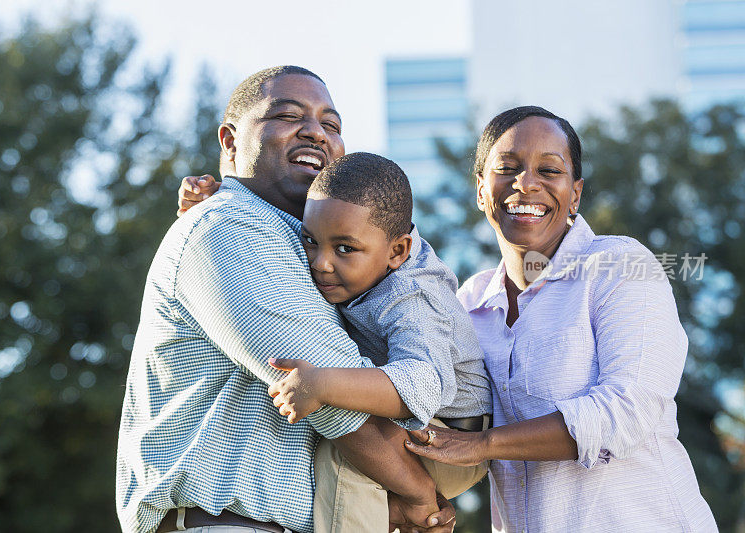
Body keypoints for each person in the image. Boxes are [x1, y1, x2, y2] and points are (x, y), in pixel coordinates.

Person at [116, 66, 455, 533]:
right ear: (230, 142)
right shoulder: (231, 230)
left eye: (331, 125)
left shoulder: (304, 245)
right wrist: (421, 498)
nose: (316, 132)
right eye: (289, 115)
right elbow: (337, 399)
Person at [400, 106, 718, 532]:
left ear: (575, 194)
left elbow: (626, 411)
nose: (526, 183)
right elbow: (445, 415)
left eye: (549, 170)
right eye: (507, 167)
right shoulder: (466, 304)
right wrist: (428, 502)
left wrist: (484, 445)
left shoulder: (618, 266)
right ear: (480, 189)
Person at [260, 151, 493, 531]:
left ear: (397, 251)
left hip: (450, 437)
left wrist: (322, 384)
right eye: (310, 241)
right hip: (424, 428)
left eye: (344, 248)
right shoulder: (366, 259)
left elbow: (423, 383)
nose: (320, 262)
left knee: (346, 455)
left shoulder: (411, 297)